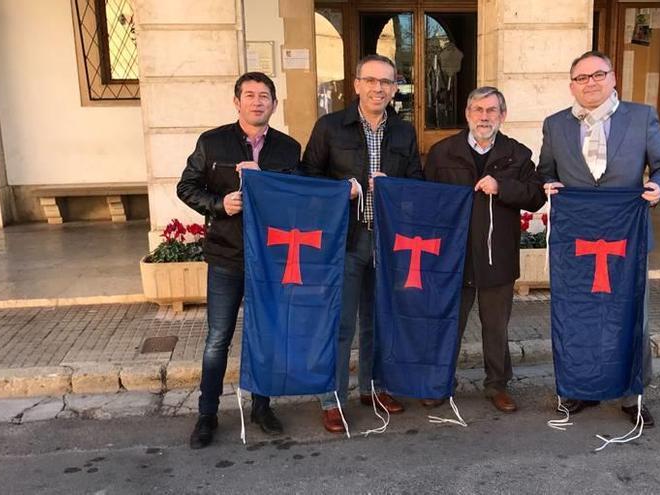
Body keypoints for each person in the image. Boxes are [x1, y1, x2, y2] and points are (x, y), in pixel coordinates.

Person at [537, 50, 660, 428]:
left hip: (626, 242)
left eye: (598, 75)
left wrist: (658, 186)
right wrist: (546, 185)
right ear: (572, 85)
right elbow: (544, 172)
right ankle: (581, 387)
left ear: (613, 78)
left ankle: (633, 394)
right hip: (577, 246)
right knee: (579, 313)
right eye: (582, 78)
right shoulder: (555, 125)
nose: (591, 83)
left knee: (631, 316)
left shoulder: (641, 117)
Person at [177, 72, 301, 449]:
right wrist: (220, 204)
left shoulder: (288, 148)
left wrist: (268, 185)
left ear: (274, 105)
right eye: (249, 95)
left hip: (271, 258)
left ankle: (262, 407)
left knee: (266, 336)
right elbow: (186, 186)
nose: (257, 101)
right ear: (237, 102)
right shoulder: (212, 142)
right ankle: (207, 415)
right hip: (226, 256)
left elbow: (298, 196)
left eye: (265, 96)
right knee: (218, 339)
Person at [300, 54, 423, 433]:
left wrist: (394, 188)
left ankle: (373, 387)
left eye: (386, 82)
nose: (378, 88)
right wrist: (343, 191)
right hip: (345, 241)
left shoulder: (403, 132)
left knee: (379, 321)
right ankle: (332, 398)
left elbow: (416, 182)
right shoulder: (330, 127)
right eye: (371, 80)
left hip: (387, 241)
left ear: (394, 87)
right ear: (355, 84)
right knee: (340, 325)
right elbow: (308, 177)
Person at [424, 86, 546, 413]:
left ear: (502, 116)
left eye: (492, 110)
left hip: (497, 255)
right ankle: (441, 383)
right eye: (478, 109)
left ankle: (497, 386)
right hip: (454, 257)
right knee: (449, 324)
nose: (484, 116)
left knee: (496, 327)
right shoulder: (442, 153)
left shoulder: (517, 154)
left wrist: (502, 186)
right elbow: (426, 201)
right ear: (467, 114)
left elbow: (536, 197)